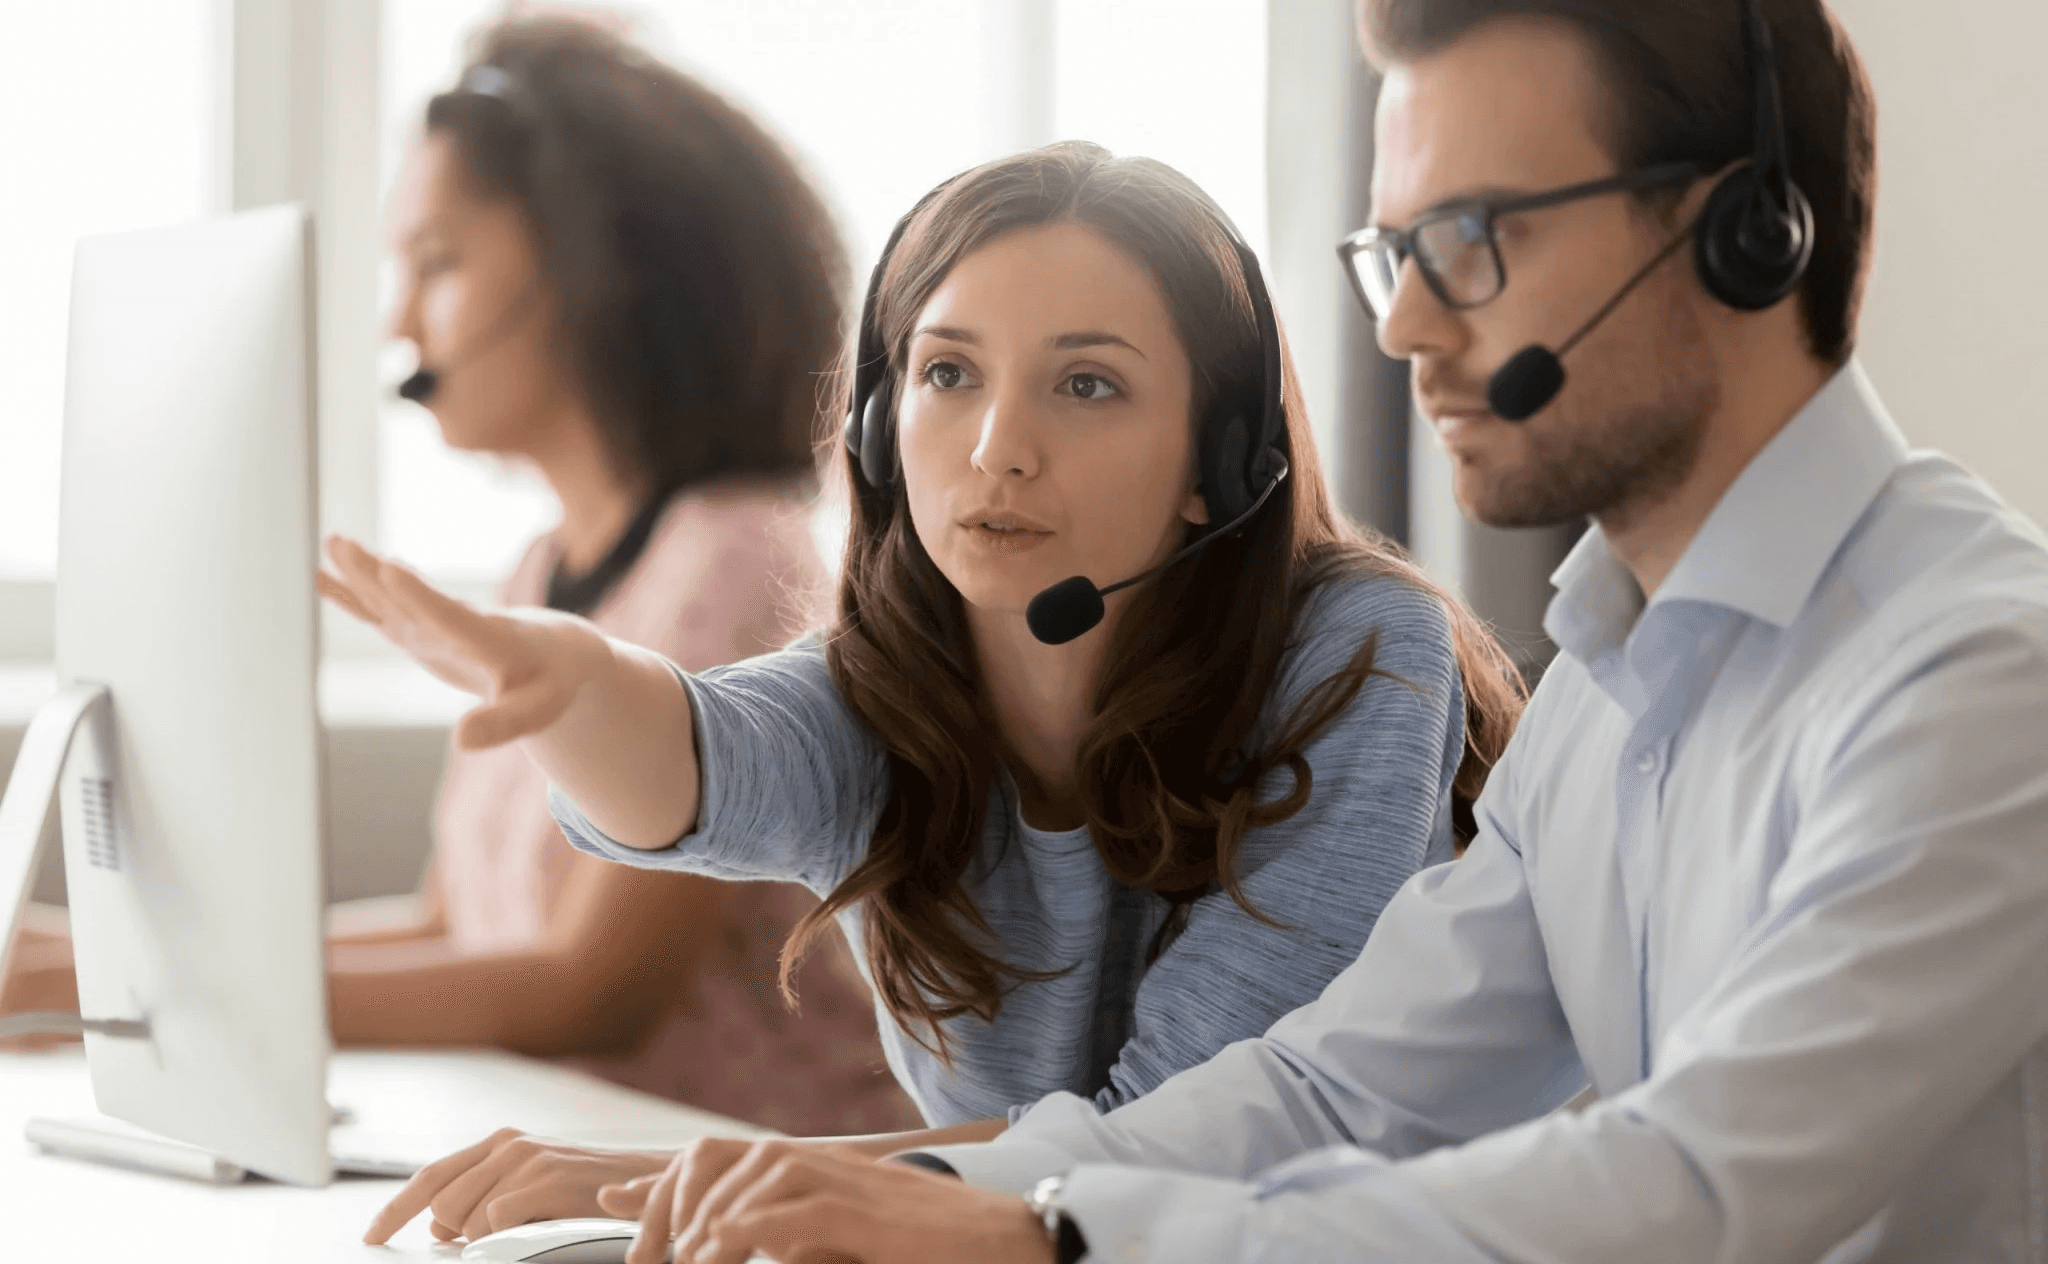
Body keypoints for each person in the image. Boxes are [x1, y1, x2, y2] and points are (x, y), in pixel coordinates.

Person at [563, 2, 2048, 1263]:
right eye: (1394, 248)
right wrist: (910, 1197)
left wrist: (1057, 1236)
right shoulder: (1609, 687)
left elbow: (1703, 1184)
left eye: (1473, 238)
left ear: (1745, 233)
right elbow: (1334, 1093)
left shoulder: (1976, 673)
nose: (1404, 326)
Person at [322, 141, 1529, 1247]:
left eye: (1087, 385)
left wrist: (674, 1177)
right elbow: (704, 759)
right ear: (874, 428)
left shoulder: (1360, 654)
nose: (999, 444)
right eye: (947, 372)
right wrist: (575, 685)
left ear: (1220, 463)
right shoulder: (894, 675)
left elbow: (1183, 1138)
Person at [3, 14, 923, 1138]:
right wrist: (115, 964)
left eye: (436, 262)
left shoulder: (739, 562)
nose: (399, 317)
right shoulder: (543, 570)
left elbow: (590, 986)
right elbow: (457, 926)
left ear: (597, 274)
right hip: (580, 1160)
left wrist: (131, 990)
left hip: (745, 1188)